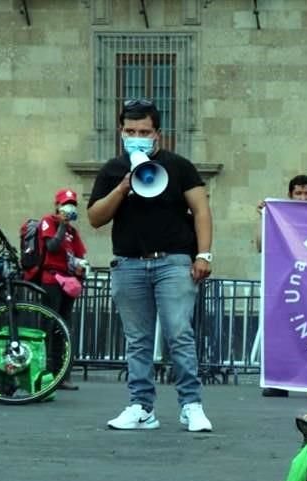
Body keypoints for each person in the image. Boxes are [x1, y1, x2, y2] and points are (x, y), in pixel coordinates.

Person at [87, 98, 213, 432]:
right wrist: (123, 186)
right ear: (121, 132)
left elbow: (201, 210)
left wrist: (204, 255)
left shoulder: (179, 166)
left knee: (179, 334)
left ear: (157, 133)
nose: (137, 136)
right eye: (130, 131)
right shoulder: (113, 170)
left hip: (173, 262)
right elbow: (95, 218)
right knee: (137, 340)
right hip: (128, 264)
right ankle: (141, 407)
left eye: (144, 131)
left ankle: (191, 405)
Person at [256, 175, 307, 398]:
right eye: (298, 193)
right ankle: (279, 381)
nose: (303, 198)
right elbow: (261, 246)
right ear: (290, 195)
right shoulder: (278, 218)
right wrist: (263, 218)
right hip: (283, 286)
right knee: (283, 332)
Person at [38, 188, 88, 391]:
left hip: (68, 282)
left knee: (64, 329)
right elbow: (52, 247)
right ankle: (43, 373)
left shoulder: (72, 233)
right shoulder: (48, 222)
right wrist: (62, 225)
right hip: (51, 280)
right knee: (47, 327)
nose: (70, 207)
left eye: (73, 204)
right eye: (66, 204)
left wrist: (81, 267)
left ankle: (62, 375)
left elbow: (80, 253)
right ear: (57, 206)